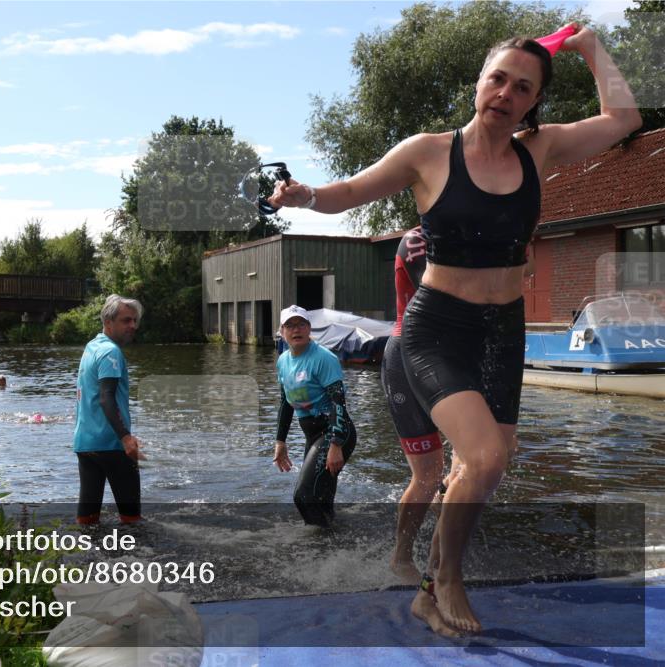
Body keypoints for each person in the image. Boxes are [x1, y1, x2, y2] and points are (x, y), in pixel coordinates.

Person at [270, 25, 640, 635]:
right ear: (479, 82)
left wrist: (592, 46)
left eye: (523, 86)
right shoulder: (428, 151)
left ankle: (425, 586)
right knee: (484, 455)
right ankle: (445, 579)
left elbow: (621, 118)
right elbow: (352, 192)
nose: (506, 93)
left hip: (504, 328)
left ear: (533, 100)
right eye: (497, 78)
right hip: (437, 327)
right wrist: (303, 193)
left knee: (487, 464)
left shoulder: (537, 149)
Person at [384, 227, 463, 584]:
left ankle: (440, 564)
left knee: (475, 461)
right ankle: (401, 556)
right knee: (428, 474)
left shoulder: (475, 233)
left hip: (453, 357)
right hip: (410, 355)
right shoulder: (418, 240)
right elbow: (444, 295)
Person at [273, 305, 358, 527]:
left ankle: (320, 543)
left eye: (301, 324)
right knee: (320, 498)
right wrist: (280, 441)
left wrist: (336, 444)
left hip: (335, 432)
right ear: (282, 331)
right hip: (312, 434)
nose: (296, 330)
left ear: (309, 328)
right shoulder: (283, 361)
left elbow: (338, 402)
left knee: (303, 496)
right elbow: (285, 403)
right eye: (290, 325)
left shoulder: (323, 358)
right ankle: (333, 539)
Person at [73, 294, 145, 525]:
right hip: (112, 446)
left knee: (87, 519)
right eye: (126, 320)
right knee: (132, 520)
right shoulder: (111, 353)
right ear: (108, 321)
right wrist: (125, 438)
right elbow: (106, 398)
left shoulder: (92, 347)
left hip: (86, 444)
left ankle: (86, 559)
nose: (132, 326)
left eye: (134, 320)